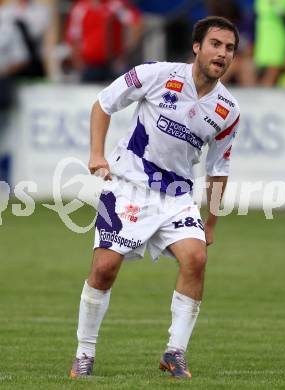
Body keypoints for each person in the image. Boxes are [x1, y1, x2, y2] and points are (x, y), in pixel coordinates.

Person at [70, 16, 240, 379]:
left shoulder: (228, 110)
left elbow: (218, 167)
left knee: (195, 259)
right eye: (215, 44)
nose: (222, 53)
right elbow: (103, 103)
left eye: (229, 48)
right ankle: (84, 354)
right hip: (129, 184)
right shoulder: (157, 74)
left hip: (177, 196)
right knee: (104, 269)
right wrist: (97, 154)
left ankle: (174, 353)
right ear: (197, 46)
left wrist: (211, 221)